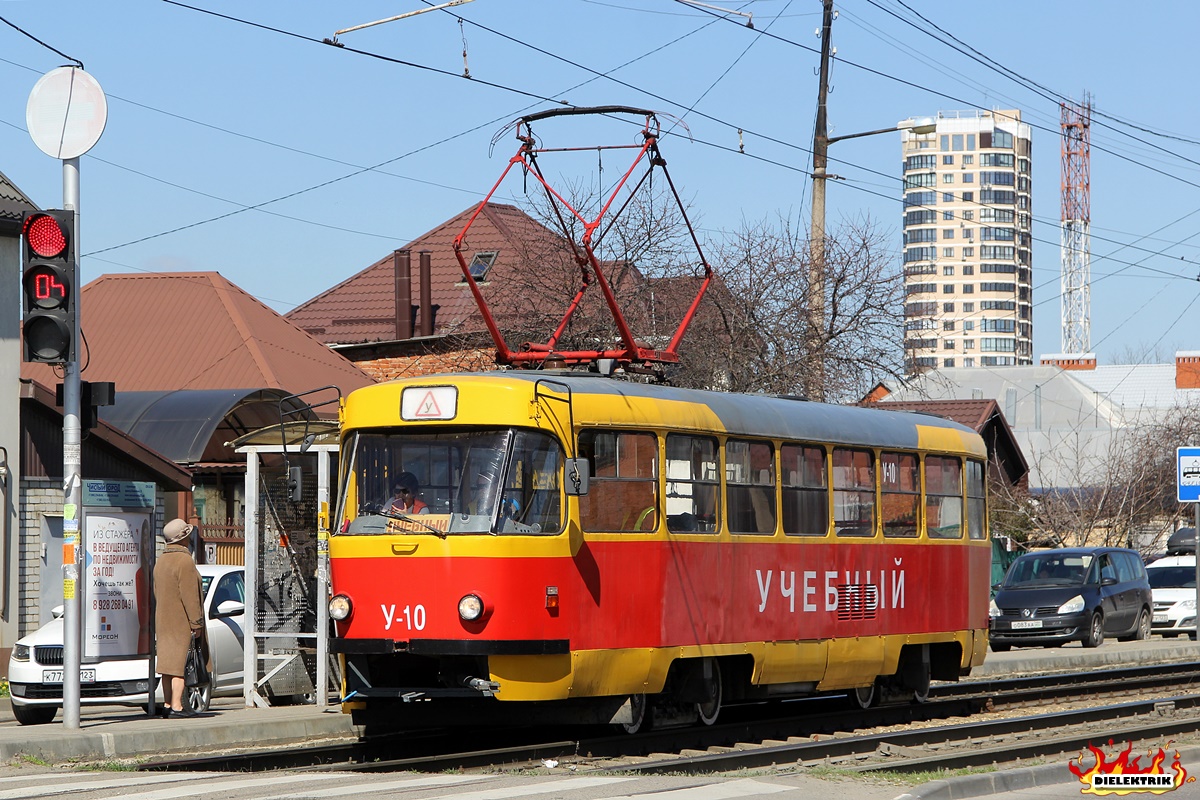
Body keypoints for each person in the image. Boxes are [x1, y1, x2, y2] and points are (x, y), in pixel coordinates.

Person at [153, 518, 210, 718]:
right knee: (181, 666)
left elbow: (157, 592)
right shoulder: (184, 561)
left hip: (163, 621)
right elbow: (190, 597)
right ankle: (177, 706)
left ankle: (168, 704)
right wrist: (196, 623)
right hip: (181, 622)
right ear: (184, 538)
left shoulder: (161, 561)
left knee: (168, 667)